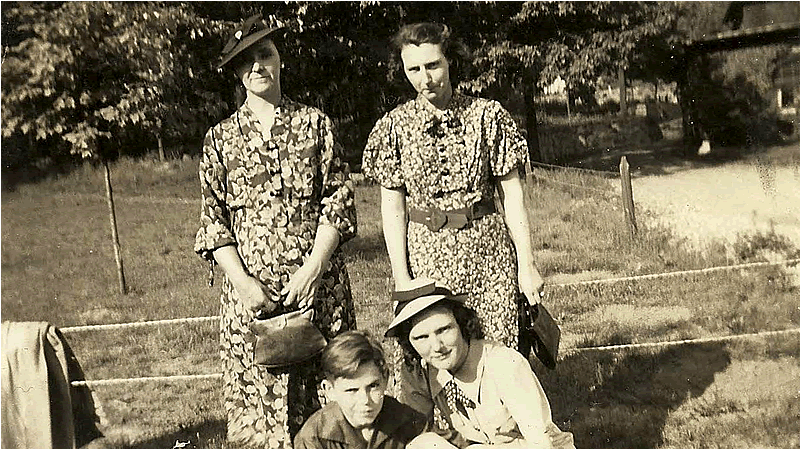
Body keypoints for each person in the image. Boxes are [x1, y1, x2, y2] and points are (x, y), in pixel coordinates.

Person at [194, 14, 357, 448]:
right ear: (236, 74)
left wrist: (314, 268)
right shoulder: (220, 139)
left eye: (264, 54)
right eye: (245, 62)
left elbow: (338, 203)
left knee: (332, 401)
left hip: (319, 291)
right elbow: (214, 224)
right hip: (253, 300)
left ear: (279, 57)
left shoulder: (316, 125)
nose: (257, 67)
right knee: (259, 416)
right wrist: (244, 284)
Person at [361, 22, 545, 354]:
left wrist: (526, 265)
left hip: (489, 256)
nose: (425, 78)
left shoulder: (487, 117)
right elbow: (393, 209)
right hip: (426, 260)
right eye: (413, 69)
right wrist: (402, 278)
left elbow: (513, 197)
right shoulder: (393, 127)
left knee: (498, 352)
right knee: (439, 354)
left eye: (433, 65)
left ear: (450, 62)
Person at [385, 279, 575, 449]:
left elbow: (541, 444)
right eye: (421, 337)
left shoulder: (504, 364)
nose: (436, 347)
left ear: (462, 324)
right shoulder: (425, 371)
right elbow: (413, 434)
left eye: (444, 330)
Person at [294, 331, 428, 449]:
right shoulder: (315, 436)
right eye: (351, 390)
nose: (365, 400)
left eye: (373, 386)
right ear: (329, 390)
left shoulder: (406, 420)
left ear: (385, 379)